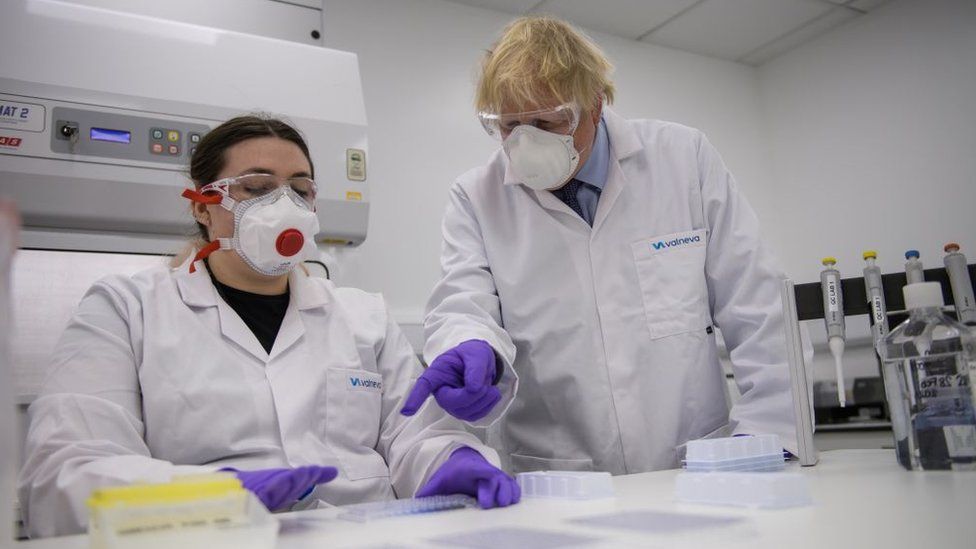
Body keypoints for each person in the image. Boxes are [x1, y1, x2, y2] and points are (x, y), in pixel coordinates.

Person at [18, 116, 518, 538]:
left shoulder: (362, 316)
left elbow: (414, 435)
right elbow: (64, 472)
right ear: (201, 205)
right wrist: (208, 495)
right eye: (256, 188)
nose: (285, 207)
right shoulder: (127, 310)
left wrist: (448, 460)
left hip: (368, 536)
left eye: (300, 190)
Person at [401, 16, 798, 474]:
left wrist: (766, 433)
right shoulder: (476, 196)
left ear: (596, 103)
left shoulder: (683, 159)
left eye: (549, 121)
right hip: (560, 477)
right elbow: (463, 302)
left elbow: (758, 306)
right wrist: (469, 344)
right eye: (510, 126)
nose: (528, 143)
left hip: (695, 463)